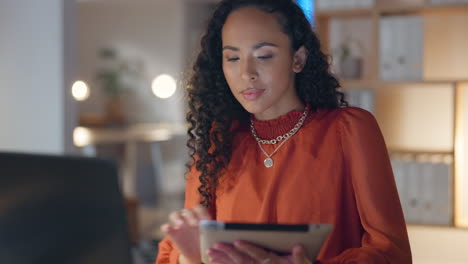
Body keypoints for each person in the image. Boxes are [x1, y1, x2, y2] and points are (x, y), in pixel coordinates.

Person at [156, 0, 412, 263]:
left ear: (298, 59)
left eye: (264, 56)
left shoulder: (349, 130)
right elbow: (169, 254)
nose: (246, 73)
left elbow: (392, 252)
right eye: (232, 58)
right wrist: (192, 258)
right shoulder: (218, 143)